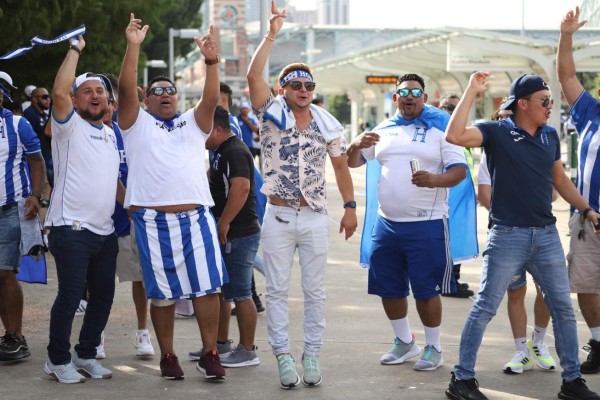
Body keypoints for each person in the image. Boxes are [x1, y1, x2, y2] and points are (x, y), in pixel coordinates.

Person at [444, 71, 600, 400]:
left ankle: (571, 381)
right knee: (485, 306)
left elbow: (560, 180)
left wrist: (587, 210)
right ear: (523, 104)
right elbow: (454, 135)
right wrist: (472, 90)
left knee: (563, 309)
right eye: (544, 101)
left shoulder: (550, 136)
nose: (550, 106)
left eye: (551, 101)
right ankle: (462, 380)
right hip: (508, 235)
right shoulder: (496, 132)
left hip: (545, 236)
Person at [246, 0, 357, 388]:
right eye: (296, 84)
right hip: (277, 216)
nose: (304, 90)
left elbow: (341, 166)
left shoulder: (327, 123)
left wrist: (349, 206)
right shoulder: (270, 113)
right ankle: (283, 357)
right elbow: (252, 74)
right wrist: (271, 33)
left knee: (315, 292)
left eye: (309, 85)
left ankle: (311, 355)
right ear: (284, 89)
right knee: (276, 291)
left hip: (313, 217)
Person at [118, 14, 226, 381]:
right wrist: (133, 46)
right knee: (162, 294)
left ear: (178, 97)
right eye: (157, 91)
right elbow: (124, 87)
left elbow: (211, 98)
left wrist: (211, 61)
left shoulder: (193, 122)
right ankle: (168, 355)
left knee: (207, 287)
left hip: (196, 218)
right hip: (151, 220)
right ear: (145, 98)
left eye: (170, 90)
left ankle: (210, 353)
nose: (165, 95)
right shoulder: (134, 122)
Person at [347, 74, 468, 372]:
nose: (409, 96)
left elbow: (459, 171)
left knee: (426, 290)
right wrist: (354, 144)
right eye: (404, 92)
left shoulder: (441, 129)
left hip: (426, 225)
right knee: (388, 288)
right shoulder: (383, 129)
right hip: (387, 225)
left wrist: (434, 180)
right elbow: (353, 161)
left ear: (424, 98)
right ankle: (404, 341)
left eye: (416, 92)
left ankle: (434, 346)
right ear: (395, 98)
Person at [44, 36, 121, 384]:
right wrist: (75, 48)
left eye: (100, 91)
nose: (94, 95)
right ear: (75, 100)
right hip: (70, 229)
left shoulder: (109, 134)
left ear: (108, 99)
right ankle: (57, 359)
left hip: (105, 232)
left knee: (103, 298)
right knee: (71, 295)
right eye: (86, 91)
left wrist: (132, 206)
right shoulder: (67, 126)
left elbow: (113, 182)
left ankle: (86, 354)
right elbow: (58, 93)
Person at [478, 109, 556, 374]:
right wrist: (508, 215)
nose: (508, 120)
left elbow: (554, 191)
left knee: (547, 291)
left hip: (541, 231)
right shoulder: (493, 148)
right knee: (516, 291)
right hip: (508, 233)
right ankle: (521, 350)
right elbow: (484, 193)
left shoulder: (541, 143)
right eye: (504, 115)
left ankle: (539, 343)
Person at [558, 6, 600, 378]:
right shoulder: (590, 112)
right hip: (590, 217)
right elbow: (567, 75)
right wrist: (566, 36)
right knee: (586, 283)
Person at [101, 73, 154, 359]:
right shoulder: (88, 129)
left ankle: (142, 332)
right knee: (100, 279)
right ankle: (96, 335)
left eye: (114, 99)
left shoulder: (132, 128)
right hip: (101, 216)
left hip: (133, 217)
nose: (110, 105)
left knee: (141, 278)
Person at [206, 105, 261, 368]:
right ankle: (221, 344)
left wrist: (224, 222)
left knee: (241, 292)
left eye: (203, 129)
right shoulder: (219, 151)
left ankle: (248, 350)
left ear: (217, 129)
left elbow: (241, 187)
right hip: (230, 230)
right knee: (226, 292)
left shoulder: (234, 151)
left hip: (239, 232)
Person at [0, 72, 45, 362]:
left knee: (4, 273)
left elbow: (36, 160)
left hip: (9, 209)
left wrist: (36, 196)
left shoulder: (18, 124)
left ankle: (15, 335)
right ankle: (10, 336)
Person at [438, 93, 475, 299]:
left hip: (460, 197)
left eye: (455, 108)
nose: (450, 112)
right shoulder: (438, 134)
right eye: (447, 107)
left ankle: (453, 279)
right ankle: (447, 282)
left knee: (457, 237)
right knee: (447, 240)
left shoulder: (463, 137)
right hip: (445, 197)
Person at [23, 87, 53, 198]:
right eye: (44, 97)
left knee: (47, 193)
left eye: (49, 97)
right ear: (34, 99)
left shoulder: (45, 115)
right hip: (36, 162)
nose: (48, 99)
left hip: (47, 159)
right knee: (40, 195)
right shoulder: (29, 114)